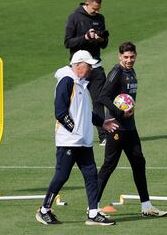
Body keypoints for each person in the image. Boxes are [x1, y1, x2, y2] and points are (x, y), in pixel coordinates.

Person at [35, 50, 118, 226]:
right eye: (88, 66)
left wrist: (102, 123)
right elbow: (60, 112)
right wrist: (74, 130)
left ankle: (94, 213)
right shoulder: (66, 82)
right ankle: (44, 210)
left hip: (83, 142)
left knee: (91, 175)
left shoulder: (80, 84)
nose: (91, 70)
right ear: (78, 65)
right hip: (69, 141)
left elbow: (86, 113)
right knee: (62, 175)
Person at [97, 42, 167, 217]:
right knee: (109, 166)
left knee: (139, 163)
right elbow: (103, 97)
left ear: (136, 55)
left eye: (132, 56)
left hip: (130, 128)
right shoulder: (117, 72)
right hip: (116, 128)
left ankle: (146, 207)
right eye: (126, 57)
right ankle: (93, 206)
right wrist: (119, 111)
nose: (129, 60)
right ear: (119, 56)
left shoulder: (131, 71)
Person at [64, 0, 109, 146]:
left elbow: (105, 44)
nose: (96, 12)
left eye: (98, 9)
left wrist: (99, 38)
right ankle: (74, 132)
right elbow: (68, 42)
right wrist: (85, 37)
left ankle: (103, 136)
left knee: (98, 100)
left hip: (95, 66)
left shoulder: (100, 18)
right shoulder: (74, 17)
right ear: (87, 4)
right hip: (79, 69)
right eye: (94, 9)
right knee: (75, 102)